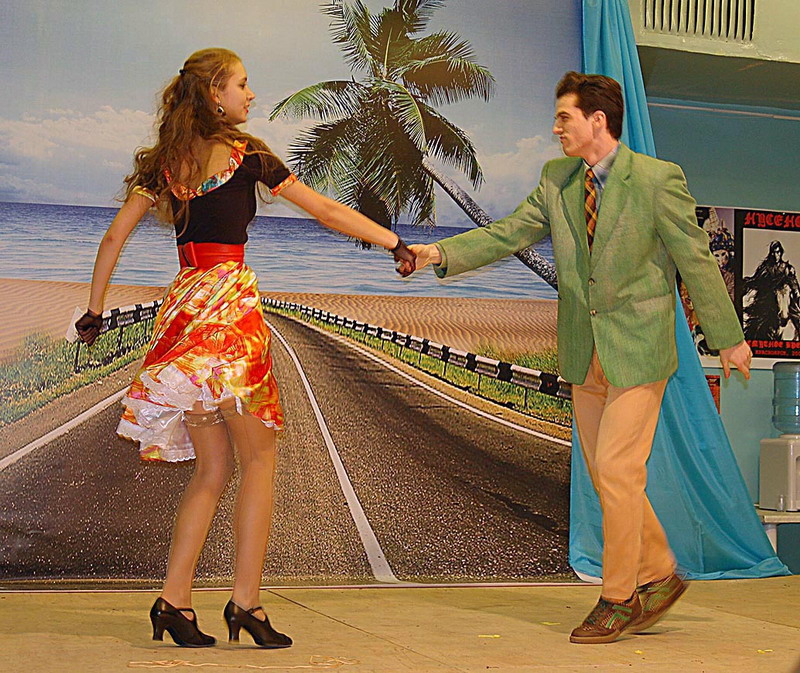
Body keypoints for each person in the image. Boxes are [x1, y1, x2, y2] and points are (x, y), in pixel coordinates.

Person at [75, 48, 414, 649]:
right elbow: (325, 210)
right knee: (259, 461)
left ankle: (174, 601)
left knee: (212, 469)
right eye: (242, 84)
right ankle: (246, 604)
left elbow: (112, 239)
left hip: (186, 315)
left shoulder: (166, 163)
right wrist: (393, 241)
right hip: (230, 317)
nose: (250, 95)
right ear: (215, 93)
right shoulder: (248, 155)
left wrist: (95, 311)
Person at [408, 71, 752, 644]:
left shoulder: (657, 180)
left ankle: (618, 598)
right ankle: (659, 571)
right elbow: (509, 232)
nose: (555, 128)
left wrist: (729, 337)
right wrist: (438, 253)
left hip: (638, 351)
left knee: (617, 470)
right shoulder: (557, 180)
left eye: (563, 117)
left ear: (598, 120)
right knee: (607, 476)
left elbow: (695, 259)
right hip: (582, 350)